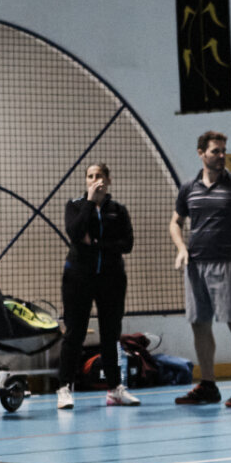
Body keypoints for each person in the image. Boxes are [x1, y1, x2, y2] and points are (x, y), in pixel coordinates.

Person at [171, 131, 231, 407]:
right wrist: (181, 248)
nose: (221, 155)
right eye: (215, 151)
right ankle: (208, 385)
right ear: (201, 153)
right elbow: (175, 222)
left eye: (224, 150)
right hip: (195, 266)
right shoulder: (188, 188)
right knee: (199, 325)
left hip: (227, 264)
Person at [56, 162, 139, 409]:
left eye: (100, 176)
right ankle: (64, 388)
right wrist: (90, 203)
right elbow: (75, 233)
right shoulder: (75, 206)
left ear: (108, 180)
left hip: (112, 278)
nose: (95, 180)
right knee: (75, 332)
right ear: (86, 181)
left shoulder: (118, 211)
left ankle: (115, 389)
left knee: (111, 334)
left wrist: (96, 245)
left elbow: (127, 244)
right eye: (91, 176)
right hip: (78, 278)